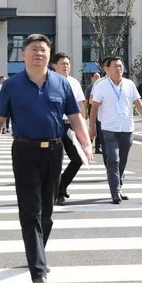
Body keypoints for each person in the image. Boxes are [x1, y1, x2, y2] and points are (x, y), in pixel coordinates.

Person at [0, 34, 92, 283]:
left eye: (43, 50)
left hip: (54, 151)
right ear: (23, 55)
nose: (38, 54)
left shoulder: (61, 84)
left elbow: (75, 117)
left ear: (49, 55)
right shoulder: (12, 85)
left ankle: (37, 252)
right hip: (24, 151)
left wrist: (85, 143)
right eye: (33, 50)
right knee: (30, 212)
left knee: (47, 212)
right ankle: (39, 271)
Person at [89, 56, 142, 204]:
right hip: (109, 129)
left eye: (121, 66)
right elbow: (94, 108)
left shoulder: (129, 84)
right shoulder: (101, 86)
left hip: (127, 129)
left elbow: (137, 102)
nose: (119, 68)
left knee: (122, 161)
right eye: (115, 66)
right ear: (107, 69)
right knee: (113, 160)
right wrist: (92, 127)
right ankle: (115, 192)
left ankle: (118, 186)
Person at [51, 53, 89, 206]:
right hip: (53, 125)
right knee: (55, 161)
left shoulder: (74, 82)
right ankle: (57, 193)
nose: (66, 66)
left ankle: (61, 186)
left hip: (70, 125)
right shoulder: (48, 81)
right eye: (63, 64)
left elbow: (81, 104)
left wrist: (83, 125)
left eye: (68, 64)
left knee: (78, 158)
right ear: (54, 66)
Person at [86, 71, 105, 155]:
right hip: (92, 111)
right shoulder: (89, 88)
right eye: (95, 77)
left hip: (101, 112)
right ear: (92, 78)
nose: (97, 78)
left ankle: (98, 147)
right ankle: (88, 143)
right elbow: (86, 101)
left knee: (99, 130)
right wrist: (85, 113)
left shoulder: (102, 86)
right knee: (93, 128)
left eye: (98, 77)